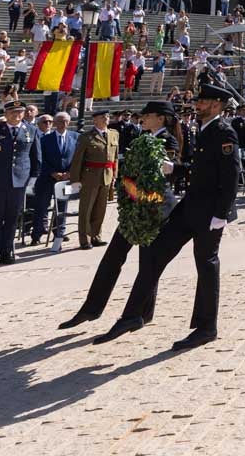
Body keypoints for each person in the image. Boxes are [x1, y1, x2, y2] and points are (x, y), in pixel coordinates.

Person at [92, 84, 239, 350]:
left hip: (209, 213)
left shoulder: (223, 131)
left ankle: (206, 327)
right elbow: (199, 169)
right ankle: (132, 315)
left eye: (203, 102)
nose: (197, 105)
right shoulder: (204, 130)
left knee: (206, 265)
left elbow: (230, 176)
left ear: (217, 105)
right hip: (191, 206)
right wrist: (176, 168)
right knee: (156, 253)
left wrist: (222, 214)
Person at [60, 101, 184, 330]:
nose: (143, 118)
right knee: (112, 258)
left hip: (153, 209)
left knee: (147, 263)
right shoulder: (142, 137)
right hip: (134, 207)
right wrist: (128, 190)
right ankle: (91, 308)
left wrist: (140, 190)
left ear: (161, 118)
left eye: (147, 115)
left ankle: (143, 314)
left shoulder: (168, 140)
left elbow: (167, 175)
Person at [0, 101, 39, 265]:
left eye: (20, 111)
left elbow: (36, 156)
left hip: (19, 181)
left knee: (12, 218)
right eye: (13, 112)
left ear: (24, 113)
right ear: (6, 113)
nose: (16, 115)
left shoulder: (31, 131)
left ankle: (7, 252)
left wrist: (33, 176)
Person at [69, 109, 120, 249]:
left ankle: (96, 236)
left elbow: (115, 158)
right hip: (90, 177)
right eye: (102, 117)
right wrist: (75, 179)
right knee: (86, 209)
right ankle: (85, 240)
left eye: (107, 116)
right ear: (95, 120)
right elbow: (77, 159)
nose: (106, 119)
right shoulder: (86, 137)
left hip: (107, 176)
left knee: (100, 209)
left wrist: (115, 175)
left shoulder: (114, 134)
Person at [30, 112, 77, 247]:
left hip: (65, 179)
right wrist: (52, 172)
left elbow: (77, 158)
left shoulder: (75, 137)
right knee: (41, 207)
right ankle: (37, 235)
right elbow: (40, 159)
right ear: (55, 123)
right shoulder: (44, 139)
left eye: (66, 121)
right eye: (60, 121)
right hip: (46, 178)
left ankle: (59, 234)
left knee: (62, 207)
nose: (63, 124)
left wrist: (69, 172)